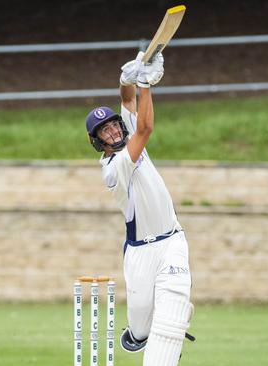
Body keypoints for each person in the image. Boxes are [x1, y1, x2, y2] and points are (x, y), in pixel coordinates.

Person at [84, 51, 193, 366]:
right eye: (105, 131)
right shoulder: (113, 166)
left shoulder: (126, 132)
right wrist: (146, 84)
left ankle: (175, 310)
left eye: (114, 125)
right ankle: (142, 331)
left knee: (170, 308)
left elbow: (128, 101)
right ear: (98, 141)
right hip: (139, 253)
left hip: (172, 239)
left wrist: (127, 79)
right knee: (141, 331)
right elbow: (145, 129)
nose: (114, 131)